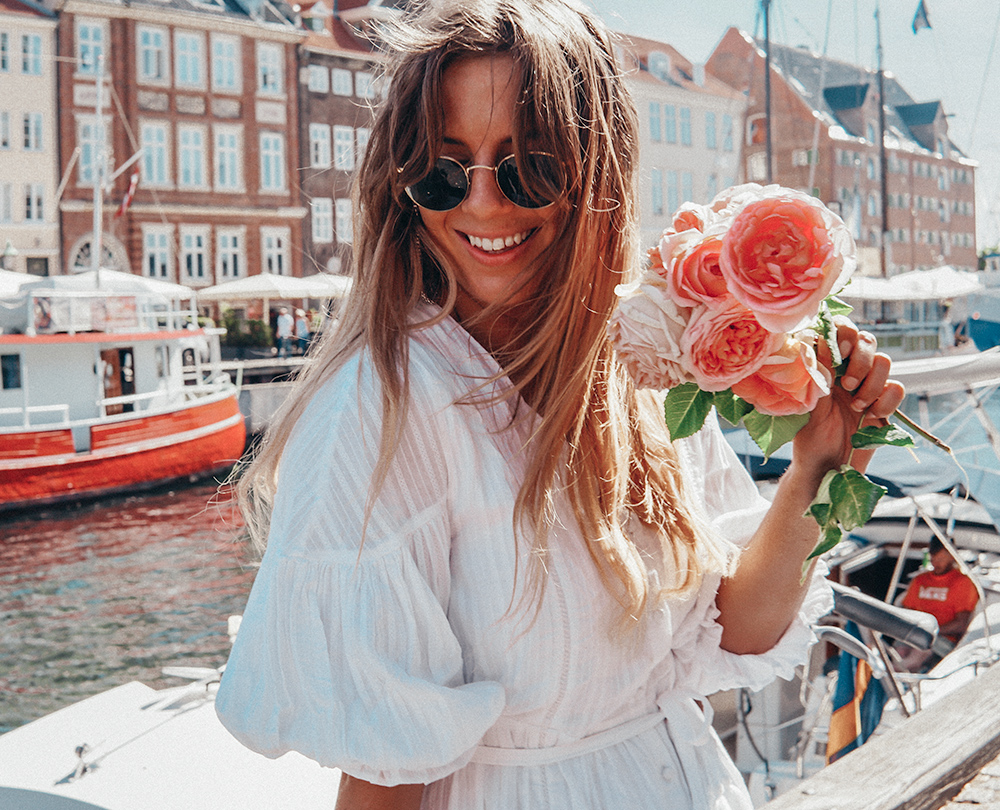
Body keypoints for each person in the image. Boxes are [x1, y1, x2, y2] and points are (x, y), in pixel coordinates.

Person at [215, 1, 904, 808]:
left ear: (595, 169)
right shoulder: (378, 412)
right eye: (442, 168)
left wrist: (824, 464)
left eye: (526, 166)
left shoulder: (635, 363)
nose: (481, 203)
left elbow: (737, 626)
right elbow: (383, 774)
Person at [896, 536, 979, 671]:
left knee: (915, 656)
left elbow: (961, 623)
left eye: (940, 559)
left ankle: (899, 676)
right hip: (915, 633)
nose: (935, 563)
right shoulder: (920, 580)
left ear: (951, 556)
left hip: (943, 638)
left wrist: (931, 631)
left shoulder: (962, 583)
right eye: (933, 559)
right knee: (898, 652)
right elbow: (907, 611)